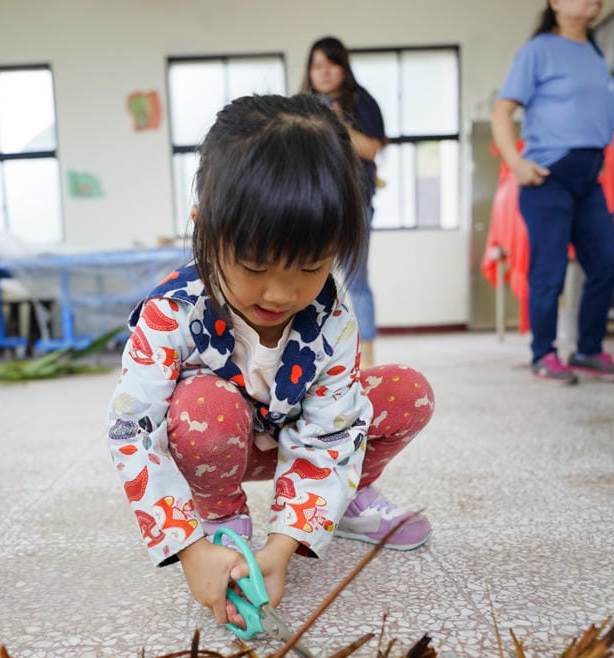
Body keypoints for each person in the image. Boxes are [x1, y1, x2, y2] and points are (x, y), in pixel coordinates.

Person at [106, 94, 434, 629]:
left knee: (407, 392)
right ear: (204, 228)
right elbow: (131, 429)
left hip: (292, 439)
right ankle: (221, 522)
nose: (281, 292)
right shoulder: (172, 312)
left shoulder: (331, 318)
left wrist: (282, 548)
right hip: (216, 445)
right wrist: (189, 549)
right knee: (201, 407)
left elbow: (332, 432)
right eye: (255, 264)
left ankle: (344, 500)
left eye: (310, 266)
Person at [490, 1, 614, 384]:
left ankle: (587, 351)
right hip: (547, 177)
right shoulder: (538, 50)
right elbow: (501, 112)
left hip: (587, 180)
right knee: (549, 272)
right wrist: (516, 164)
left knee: (606, 263)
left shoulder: (593, 51)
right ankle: (544, 354)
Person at [302, 36, 387, 368]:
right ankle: (310, 356)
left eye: (330, 64)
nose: (322, 72)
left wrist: (335, 121)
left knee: (357, 281)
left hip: (354, 203)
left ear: (344, 67)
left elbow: (370, 149)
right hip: (311, 204)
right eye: (316, 65)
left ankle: (367, 361)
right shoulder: (302, 104)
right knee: (306, 277)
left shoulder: (362, 102)